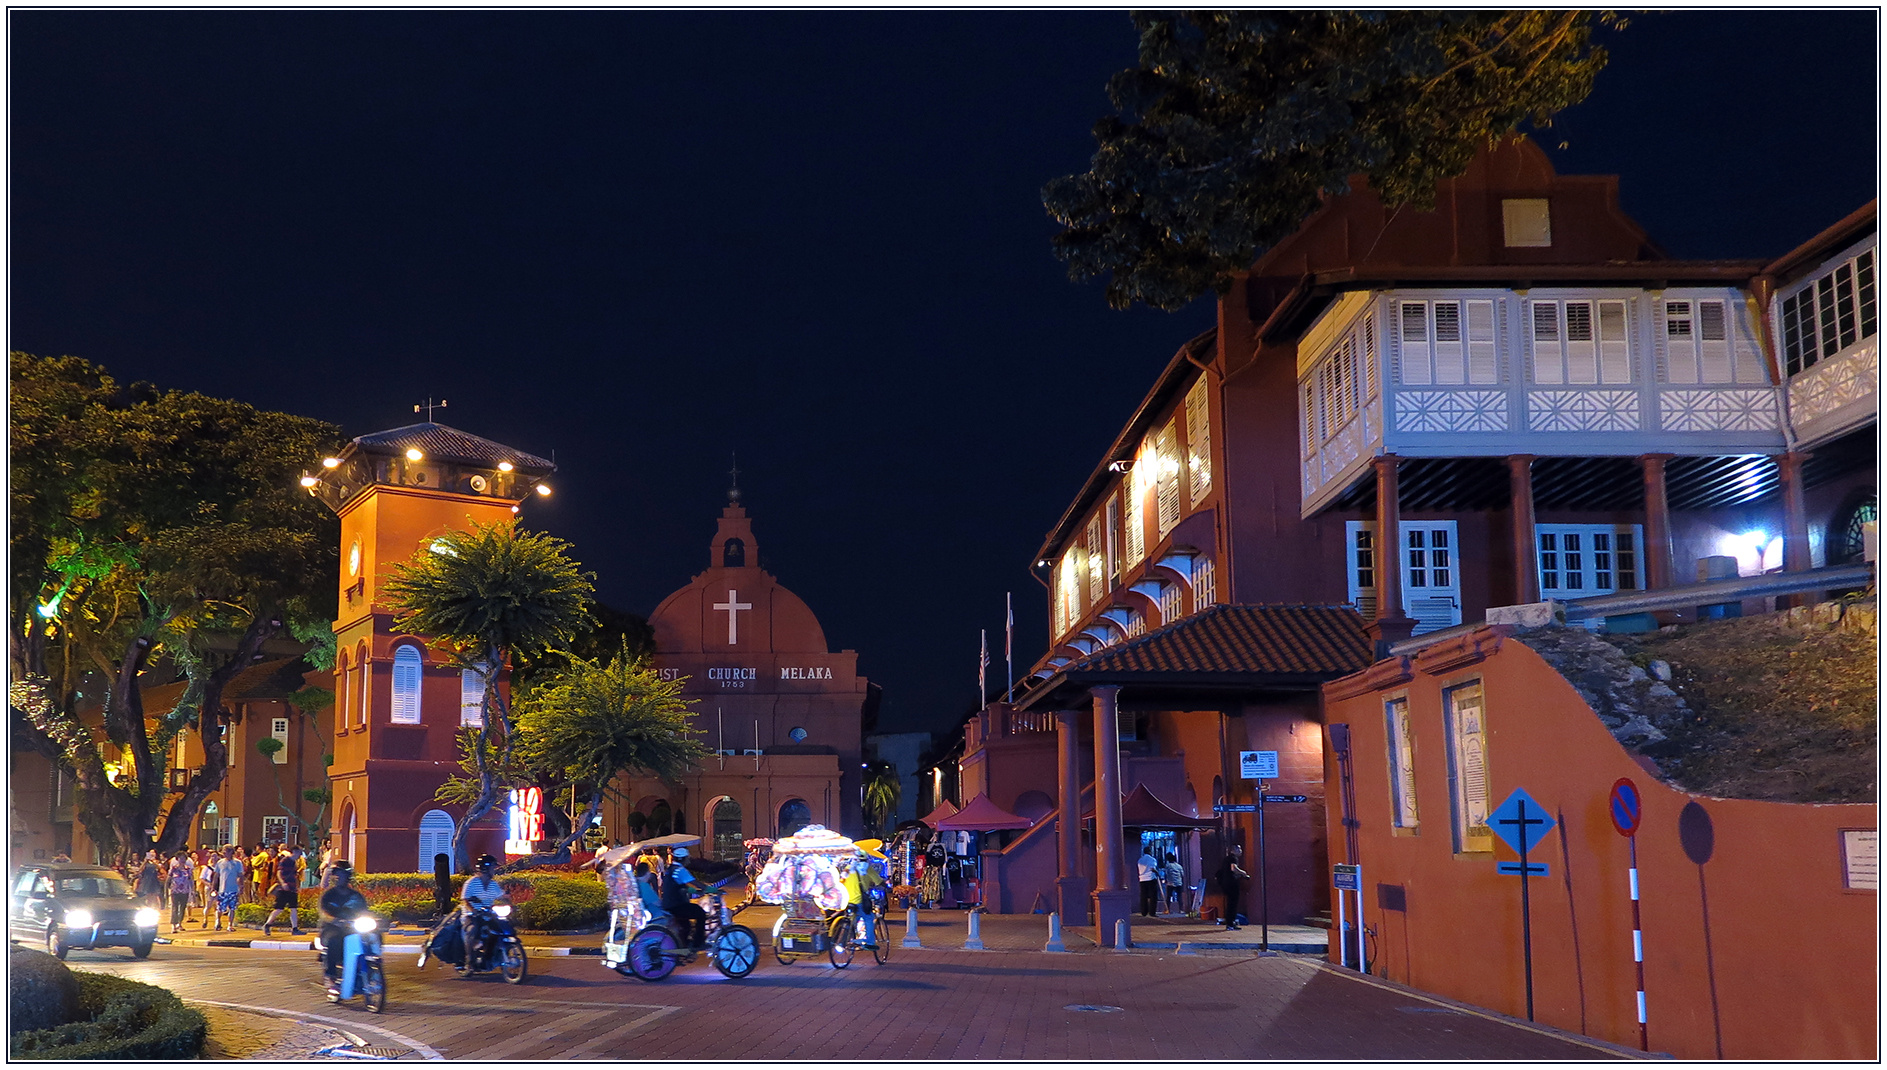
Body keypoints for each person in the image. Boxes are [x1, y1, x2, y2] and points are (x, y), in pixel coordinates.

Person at [317, 860, 372, 997]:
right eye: (336, 874)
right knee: (334, 941)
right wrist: (334, 920)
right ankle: (330, 976)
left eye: (341, 874)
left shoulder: (356, 896)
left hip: (352, 928)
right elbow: (323, 912)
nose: (338, 877)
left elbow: (365, 911)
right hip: (331, 928)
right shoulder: (328, 895)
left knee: (371, 938)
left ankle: (370, 969)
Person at [458, 854, 505, 972]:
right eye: (493, 867)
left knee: (500, 929)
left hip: (488, 914)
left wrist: (510, 903)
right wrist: (473, 911)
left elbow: (502, 896)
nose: (494, 870)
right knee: (473, 930)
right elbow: (465, 900)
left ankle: (489, 957)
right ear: (485, 868)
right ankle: (469, 960)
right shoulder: (471, 883)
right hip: (472, 915)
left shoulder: (493, 884)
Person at [660, 847, 707, 951]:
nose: (689, 860)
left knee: (686, 925)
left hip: (669, 904)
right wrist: (710, 889)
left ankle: (684, 947)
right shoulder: (680, 870)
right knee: (701, 914)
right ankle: (698, 943)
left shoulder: (671, 869)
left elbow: (681, 887)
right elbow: (695, 882)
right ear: (683, 859)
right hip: (676, 905)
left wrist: (696, 892)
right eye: (687, 858)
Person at [262, 845, 303, 936]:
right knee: (279, 908)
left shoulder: (294, 862)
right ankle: (267, 924)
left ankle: (295, 928)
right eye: (299, 852)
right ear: (295, 852)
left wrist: (296, 887)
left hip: (291, 888)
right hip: (283, 888)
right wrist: (283, 883)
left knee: (293, 908)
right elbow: (278, 873)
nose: (300, 854)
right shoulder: (285, 860)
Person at [1215, 846, 1250, 931]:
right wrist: (1243, 873)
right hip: (1232, 884)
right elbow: (1233, 868)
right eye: (1239, 849)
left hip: (1226, 884)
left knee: (1230, 903)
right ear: (1234, 850)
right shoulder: (1233, 858)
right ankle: (1230, 923)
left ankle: (1230, 922)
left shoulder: (1226, 859)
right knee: (1232, 904)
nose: (1241, 851)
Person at [212, 845, 246, 931]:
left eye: (225, 851)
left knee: (232, 908)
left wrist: (241, 886)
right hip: (222, 889)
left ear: (231, 852)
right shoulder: (220, 862)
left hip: (233, 889)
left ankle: (230, 924)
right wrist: (213, 887)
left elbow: (240, 875)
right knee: (220, 907)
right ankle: (218, 921)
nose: (224, 853)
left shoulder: (237, 863)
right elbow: (216, 876)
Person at [167, 853, 194, 932]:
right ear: (177, 859)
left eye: (183, 858)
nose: (182, 860)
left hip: (185, 891)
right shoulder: (174, 869)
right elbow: (168, 879)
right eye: (180, 858)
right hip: (175, 891)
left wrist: (192, 891)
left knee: (182, 908)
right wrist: (166, 890)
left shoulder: (188, 869)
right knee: (175, 907)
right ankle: (174, 925)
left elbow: (191, 880)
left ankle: (180, 923)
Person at [1136, 846, 1162, 917]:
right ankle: (1152, 912)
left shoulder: (1140, 860)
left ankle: (1144, 912)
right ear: (1150, 851)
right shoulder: (1152, 859)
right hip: (1150, 878)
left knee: (1143, 896)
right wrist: (1157, 873)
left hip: (1142, 879)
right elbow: (1152, 868)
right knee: (1153, 896)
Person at [196, 853, 219, 927]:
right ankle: (205, 919)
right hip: (209, 888)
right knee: (208, 905)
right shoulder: (207, 868)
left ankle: (217, 921)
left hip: (218, 888)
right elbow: (202, 878)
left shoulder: (220, 867)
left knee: (218, 905)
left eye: (215, 856)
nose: (214, 858)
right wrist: (208, 884)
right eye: (212, 856)